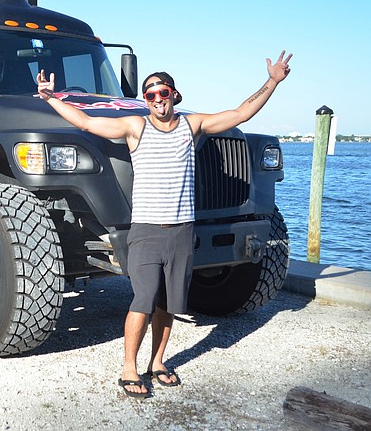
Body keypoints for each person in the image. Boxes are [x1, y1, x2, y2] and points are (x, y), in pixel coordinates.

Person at [36, 51, 293, 398]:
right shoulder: (135, 126)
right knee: (143, 299)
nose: (158, 98)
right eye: (151, 94)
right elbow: (85, 123)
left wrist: (272, 81)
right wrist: (52, 98)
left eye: (163, 92)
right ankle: (129, 368)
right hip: (146, 231)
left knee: (168, 303)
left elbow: (240, 112)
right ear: (146, 100)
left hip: (181, 231)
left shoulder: (193, 125)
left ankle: (157, 362)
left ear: (174, 94)